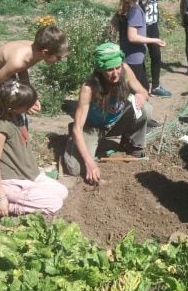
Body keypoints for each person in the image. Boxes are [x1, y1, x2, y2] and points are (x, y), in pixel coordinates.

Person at [0, 79, 68, 225]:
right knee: (54, 204)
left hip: (28, 174)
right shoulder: (0, 128)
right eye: (27, 105)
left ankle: (12, 196)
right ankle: (0, 205)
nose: (30, 107)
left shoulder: (16, 115)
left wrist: (31, 101)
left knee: (63, 192)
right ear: (12, 108)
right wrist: (1, 198)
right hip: (13, 180)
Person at [63, 43, 152, 185]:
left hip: (115, 122)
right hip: (91, 127)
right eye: (109, 70)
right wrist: (90, 164)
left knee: (146, 109)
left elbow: (144, 92)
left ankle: (133, 145)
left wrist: (141, 95)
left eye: (117, 68)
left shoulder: (125, 70)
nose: (115, 73)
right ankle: (74, 142)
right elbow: (77, 128)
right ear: (100, 70)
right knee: (74, 169)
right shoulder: (89, 88)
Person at [0, 25, 68, 114]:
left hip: (7, 73)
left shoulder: (36, 50)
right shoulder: (18, 62)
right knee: (4, 114)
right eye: (58, 57)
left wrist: (30, 97)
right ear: (45, 52)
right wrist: (20, 103)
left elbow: (22, 69)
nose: (59, 60)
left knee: (19, 112)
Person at [117, 0, 167, 92]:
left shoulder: (126, 6)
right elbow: (132, 37)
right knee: (140, 92)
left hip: (127, 56)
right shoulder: (135, 10)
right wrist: (153, 40)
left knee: (140, 89)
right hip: (133, 59)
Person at [136, 0, 172, 98]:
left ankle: (155, 86)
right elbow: (133, 3)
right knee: (141, 57)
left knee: (156, 55)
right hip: (141, 25)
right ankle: (143, 88)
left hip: (153, 23)